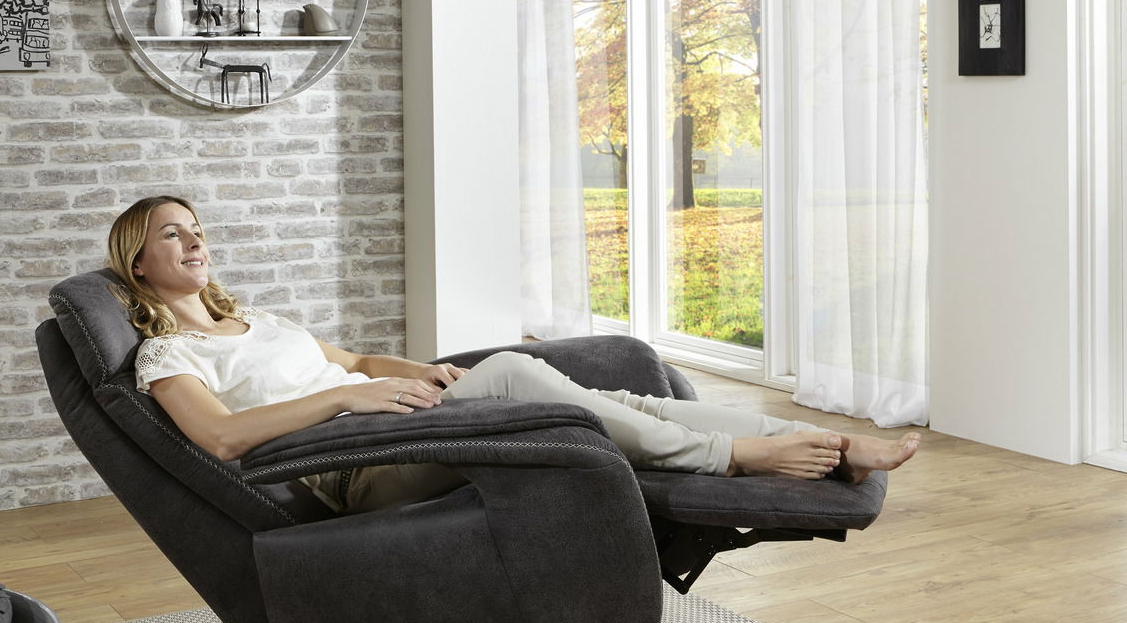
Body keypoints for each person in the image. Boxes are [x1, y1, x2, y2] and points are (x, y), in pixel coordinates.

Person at [108, 195, 919, 514]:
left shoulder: (251, 319)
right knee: (513, 374)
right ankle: (734, 457)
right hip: (355, 465)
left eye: (197, 228)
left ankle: (822, 443)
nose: (195, 241)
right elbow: (220, 438)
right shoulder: (166, 355)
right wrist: (345, 400)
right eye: (172, 234)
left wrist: (414, 373)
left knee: (611, 405)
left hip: (397, 420)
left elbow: (352, 357)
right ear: (138, 264)